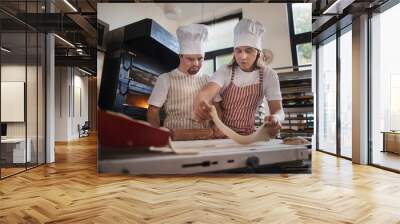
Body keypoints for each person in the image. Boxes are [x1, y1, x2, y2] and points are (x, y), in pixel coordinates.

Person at [194, 18, 284, 138]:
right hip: (221, 134)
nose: (243, 56)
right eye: (238, 51)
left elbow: (278, 109)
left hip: (248, 136)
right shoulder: (225, 71)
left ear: (258, 52)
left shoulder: (269, 75)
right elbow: (207, 93)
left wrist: (276, 118)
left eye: (248, 50)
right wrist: (201, 102)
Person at [147, 24, 211, 130]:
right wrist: (157, 136)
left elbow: (217, 107)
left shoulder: (208, 80)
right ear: (180, 56)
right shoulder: (165, 79)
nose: (196, 63)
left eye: (200, 58)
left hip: (204, 138)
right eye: (190, 59)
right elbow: (153, 111)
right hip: (175, 138)